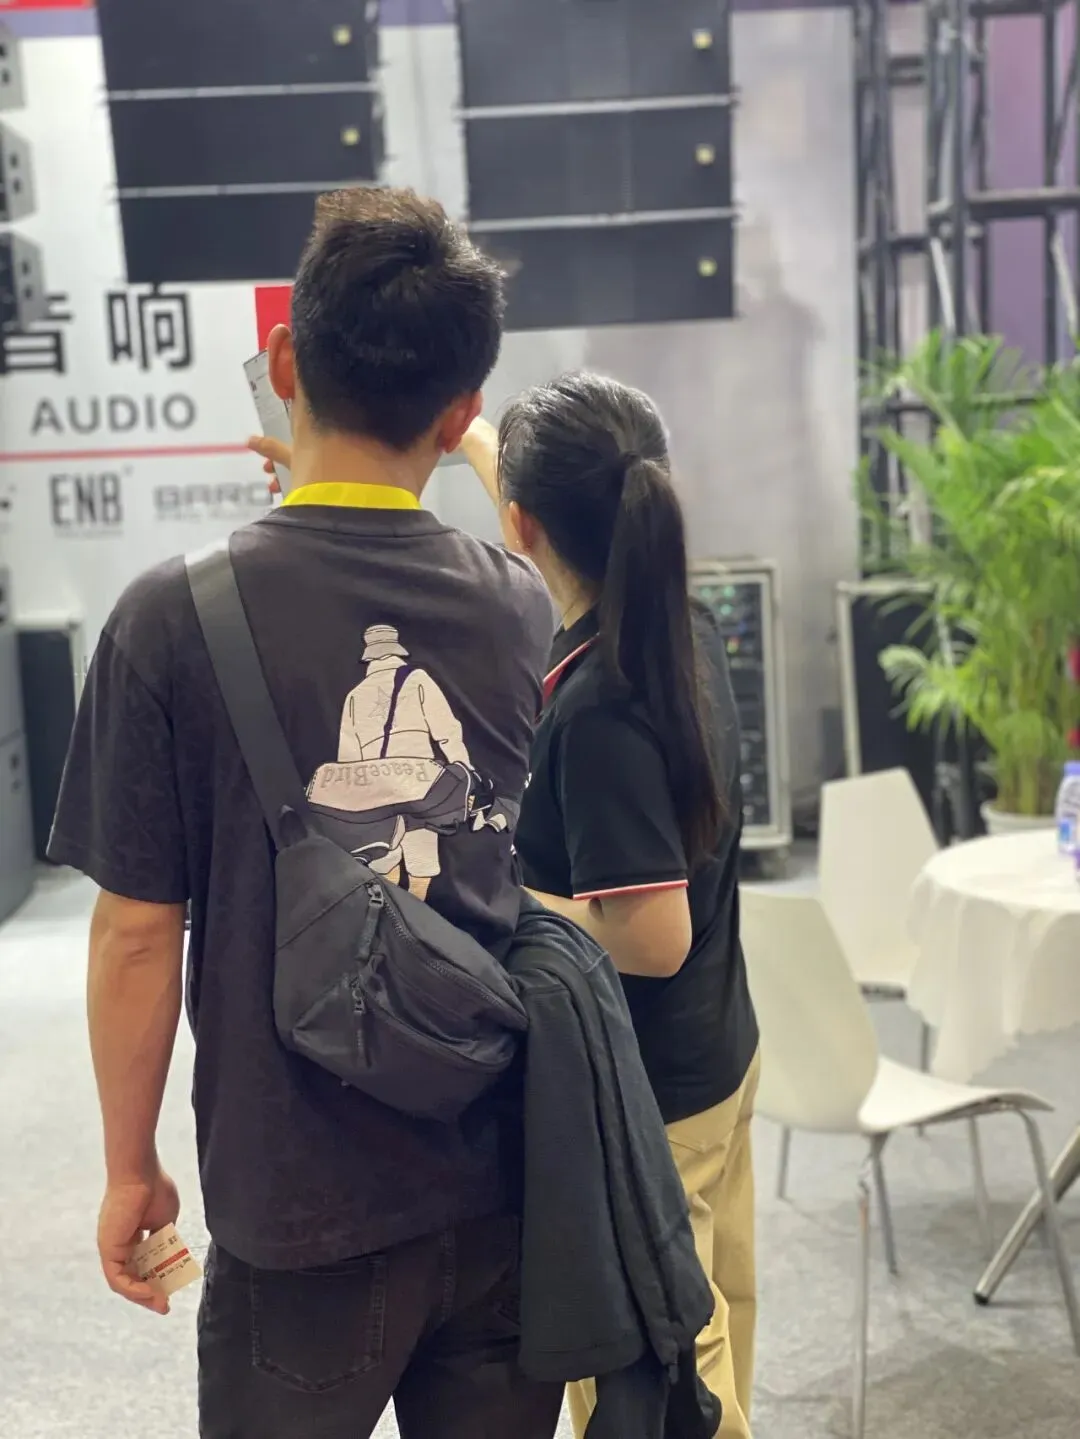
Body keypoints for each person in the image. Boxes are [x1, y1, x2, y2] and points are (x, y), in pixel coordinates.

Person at [47, 187, 561, 1439]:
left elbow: (135, 935)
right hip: (501, 1179)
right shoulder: (516, 605)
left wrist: (129, 1165)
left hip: (298, 1200)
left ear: (283, 366)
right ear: (461, 413)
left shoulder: (169, 618)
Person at [458, 375, 761, 1439]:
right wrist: (472, 434)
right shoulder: (677, 628)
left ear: (521, 528)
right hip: (714, 1052)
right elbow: (545, 497)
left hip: (647, 1100)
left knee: (669, 1387)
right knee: (719, 1324)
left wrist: (501, 892)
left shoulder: (602, 707)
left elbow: (650, 934)